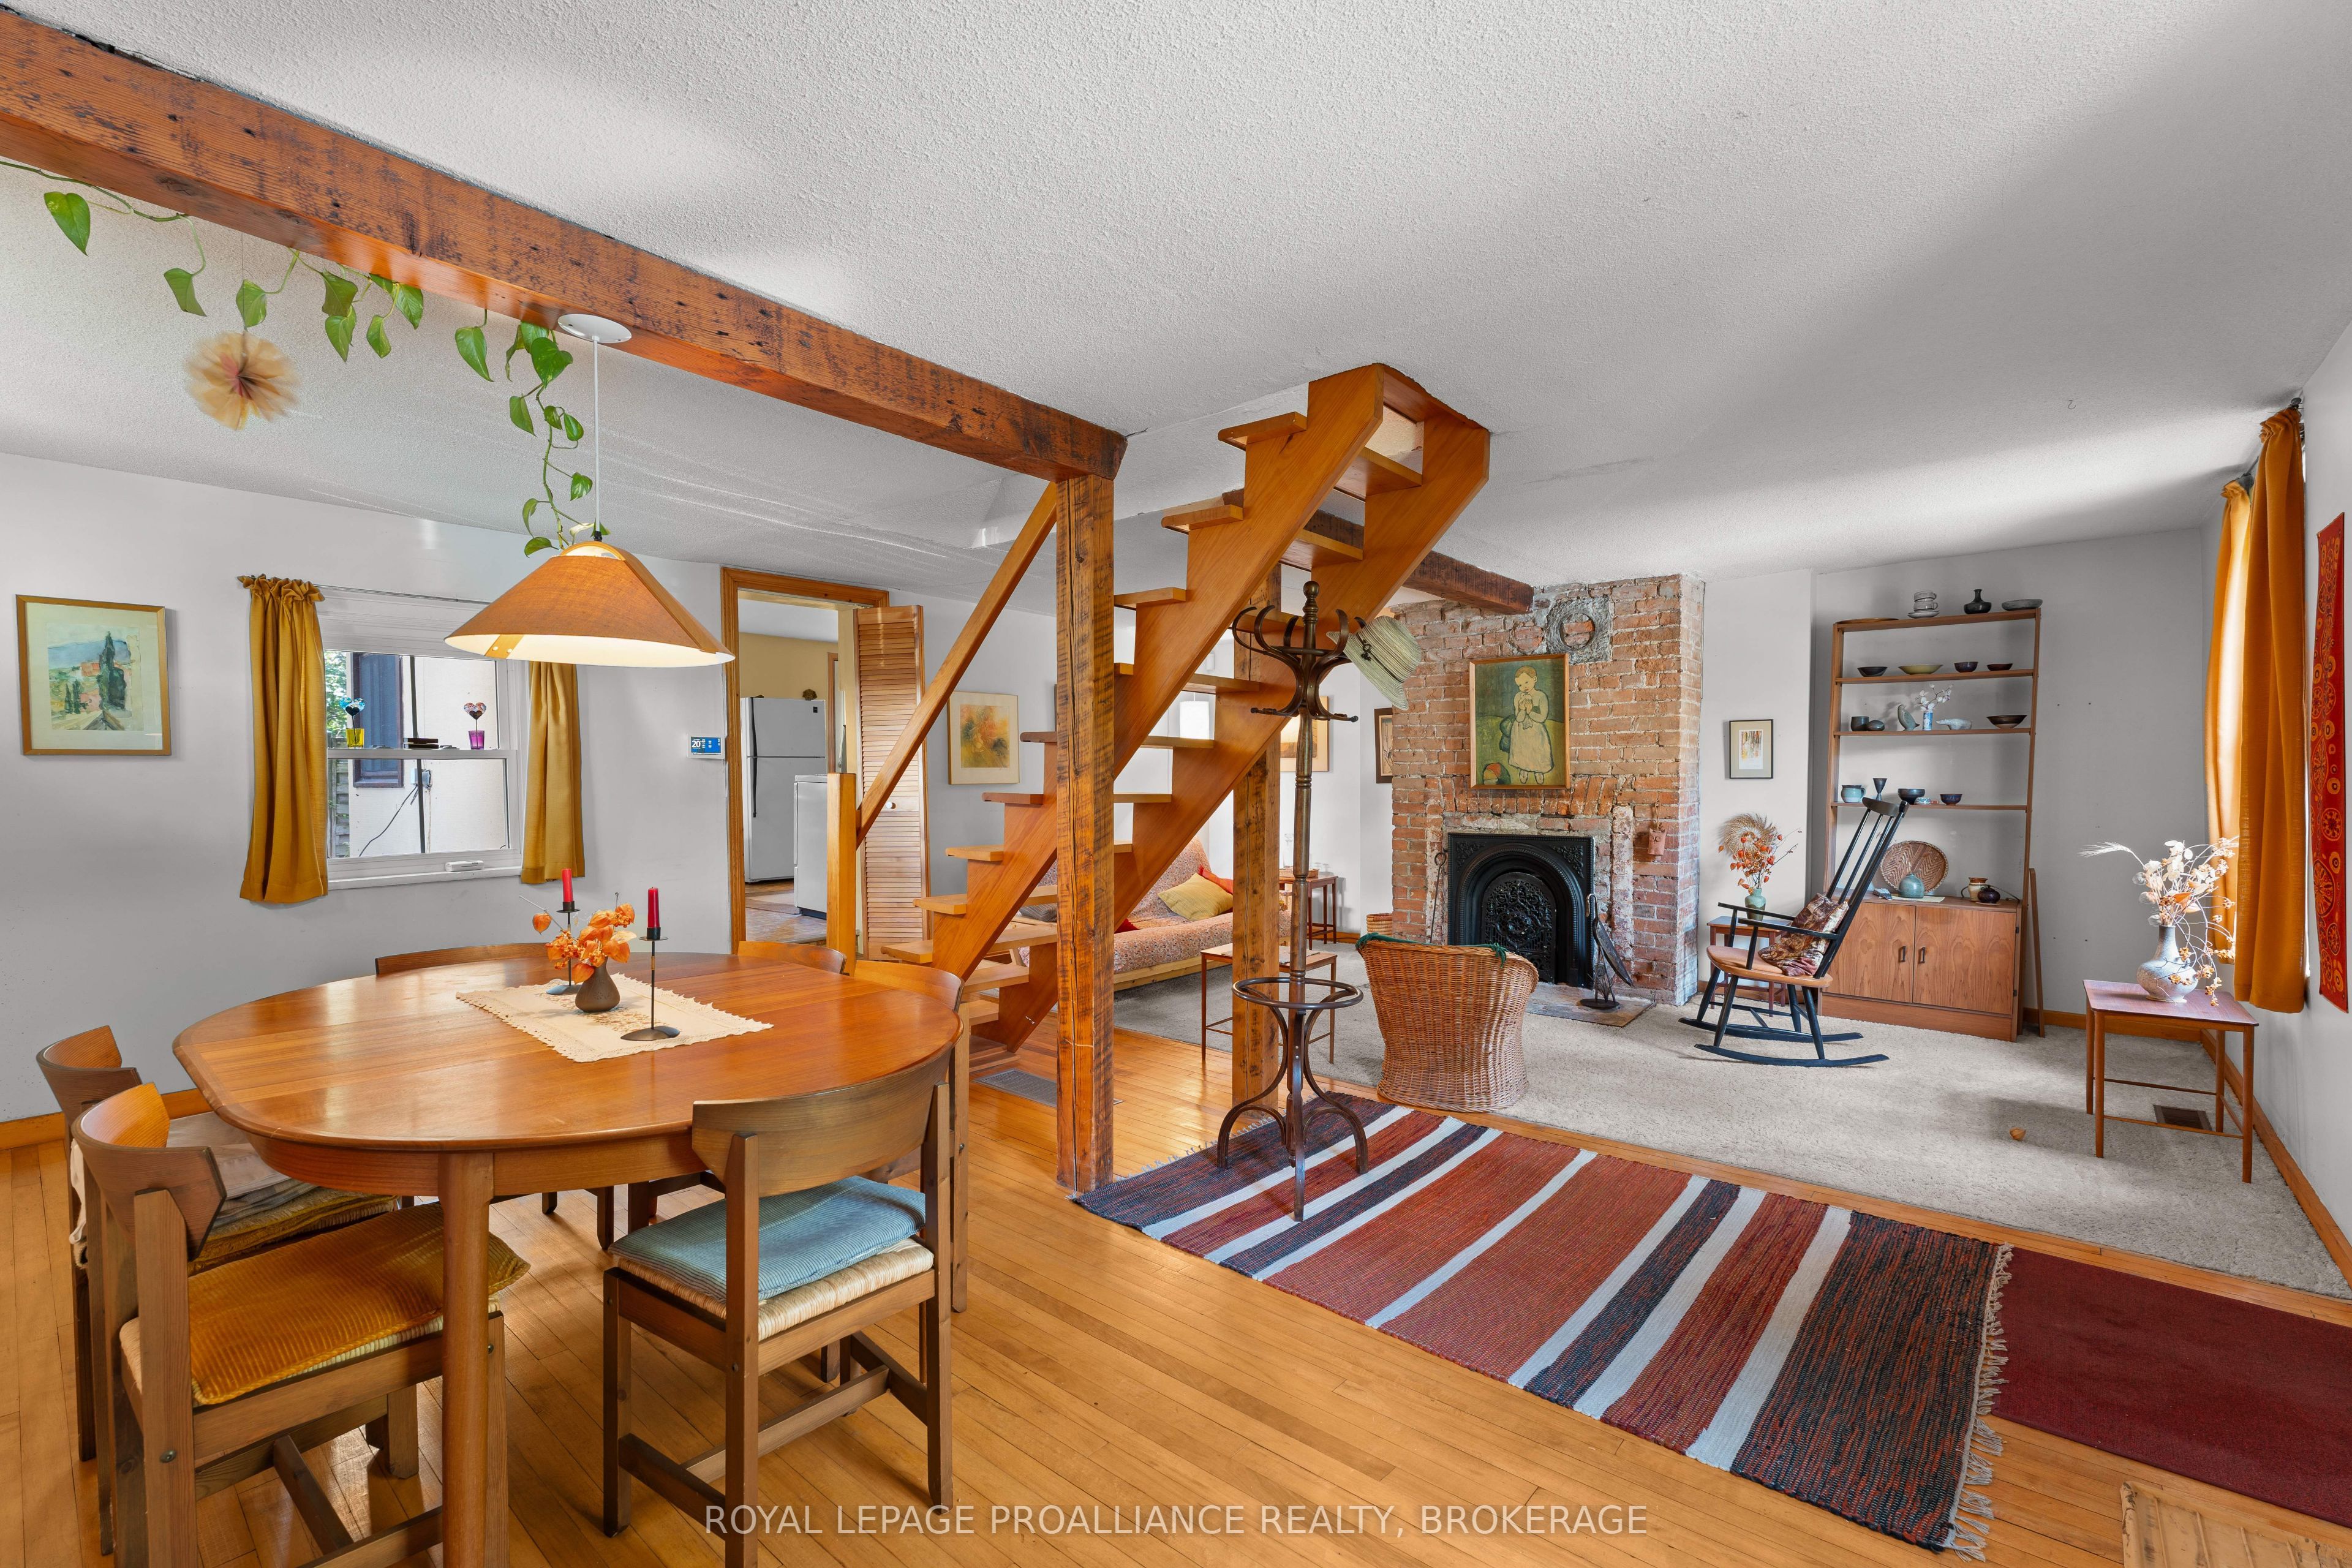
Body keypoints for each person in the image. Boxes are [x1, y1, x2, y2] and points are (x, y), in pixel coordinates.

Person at [1504, 665, 1553, 782]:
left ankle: (1539, 771)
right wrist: (1522, 710)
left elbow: (1542, 718)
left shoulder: (1541, 696)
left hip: (1536, 730)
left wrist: (1530, 711)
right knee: (1523, 750)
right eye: (1520, 685)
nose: (1524, 687)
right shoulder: (1518, 697)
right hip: (1521, 729)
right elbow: (1519, 719)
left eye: (1526, 682)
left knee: (1537, 750)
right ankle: (1523, 769)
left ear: (1534, 679)